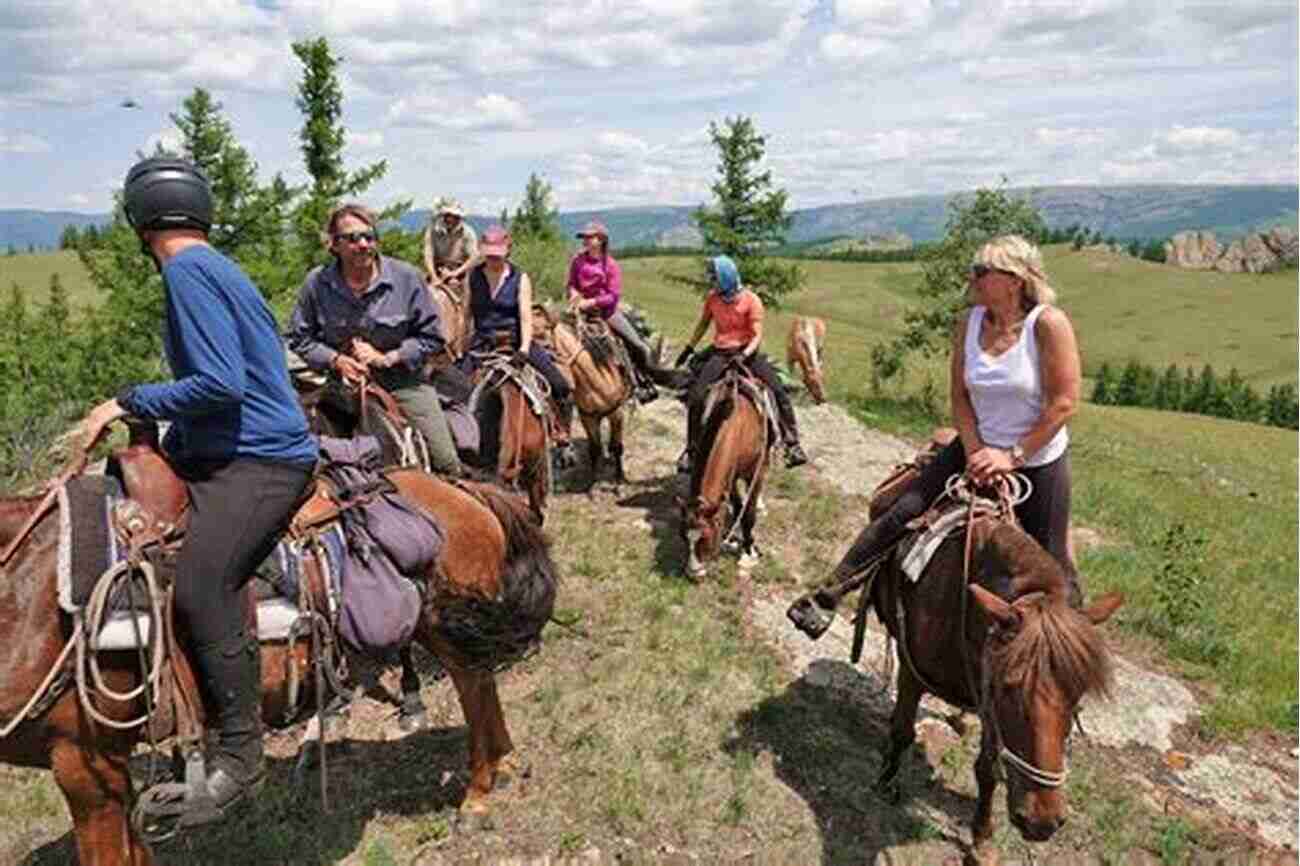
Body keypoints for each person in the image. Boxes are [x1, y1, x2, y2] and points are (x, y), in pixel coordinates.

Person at [73, 157, 319, 825]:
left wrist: (124, 401)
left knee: (203, 585)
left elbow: (220, 385)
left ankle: (240, 759)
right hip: (226, 449)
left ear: (140, 220)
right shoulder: (216, 266)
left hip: (264, 460)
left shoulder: (186, 272)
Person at [790, 234, 1083, 636]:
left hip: (1035, 458)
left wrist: (1010, 456)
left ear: (1015, 280)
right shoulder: (969, 322)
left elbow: (1064, 403)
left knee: (1055, 567)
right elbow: (959, 396)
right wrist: (978, 450)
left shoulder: (1047, 324)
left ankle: (1069, 659)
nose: (973, 277)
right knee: (900, 512)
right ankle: (827, 596)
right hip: (976, 446)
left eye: (982, 271)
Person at [288, 202, 463, 476]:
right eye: (352, 238)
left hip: (402, 383)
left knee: (444, 460)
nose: (363, 244)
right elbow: (299, 338)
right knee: (296, 454)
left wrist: (388, 357)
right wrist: (336, 360)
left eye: (369, 237)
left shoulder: (407, 278)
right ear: (333, 245)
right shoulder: (317, 283)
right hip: (339, 387)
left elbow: (432, 337)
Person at [673, 255, 809, 472]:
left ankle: (792, 444)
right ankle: (691, 450)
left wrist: (744, 354)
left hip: (747, 353)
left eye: (715, 278)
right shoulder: (713, 298)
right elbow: (703, 324)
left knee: (778, 391)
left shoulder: (751, 300)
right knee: (697, 397)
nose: (713, 282)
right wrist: (689, 347)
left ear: (727, 277)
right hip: (720, 353)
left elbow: (757, 335)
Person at [457, 226, 574, 442]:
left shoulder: (520, 278)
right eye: (489, 255)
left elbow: (525, 317)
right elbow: (466, 314)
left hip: (516, 340)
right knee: (454, 389)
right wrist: (461, 346)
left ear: (507, 251)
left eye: (498, 255)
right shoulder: (472, 277)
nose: (493, 260)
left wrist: (524, 348)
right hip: (482, 343)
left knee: (560, 385)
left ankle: (561, 430)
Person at [566, 220, 668, 402]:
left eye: (590, 237)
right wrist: (574, 294)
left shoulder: (610, 265)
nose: (586, 241)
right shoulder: (577, 261)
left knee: (638, 345)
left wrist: (590, 302)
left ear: (601, 240)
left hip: (606, 313)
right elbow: (572, 284)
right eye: (585, 237)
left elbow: (613, 296)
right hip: (579, 312)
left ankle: (643, 382)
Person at [422, 198, 478, 291]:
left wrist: (454, 273)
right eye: (447, 215)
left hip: (461, 271)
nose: (450, 219)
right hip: (437, 269)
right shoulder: (432, 231)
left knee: (470, 294)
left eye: (453, 216)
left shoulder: (467, 232)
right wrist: (434, 276)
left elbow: (474, 257)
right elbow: (428, 254)